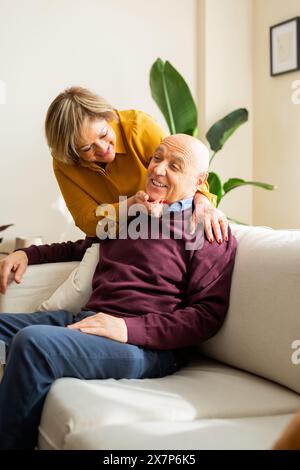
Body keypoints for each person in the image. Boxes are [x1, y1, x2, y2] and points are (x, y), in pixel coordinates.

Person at [0, 134, 237, 449]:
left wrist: (127, 327)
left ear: (199, 182)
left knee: (33, 344)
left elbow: (206, 316)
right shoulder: (132, 214)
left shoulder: (206, 231)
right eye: (157, 158)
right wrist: (28, 254)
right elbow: (80, 247)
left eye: (175, 165)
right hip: (88, 320)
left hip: (146, 348)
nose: (158, 169)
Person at [45, 86, 228, 242]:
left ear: (107, 117)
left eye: (103, 134)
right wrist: (132, 205)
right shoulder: (64, 163)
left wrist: (204, 202)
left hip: (160, 230)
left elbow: (186, 170)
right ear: (71, 152)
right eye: (86, 148)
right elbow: (87, 222)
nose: (102, 148)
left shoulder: (138, 127)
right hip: (113, 240)